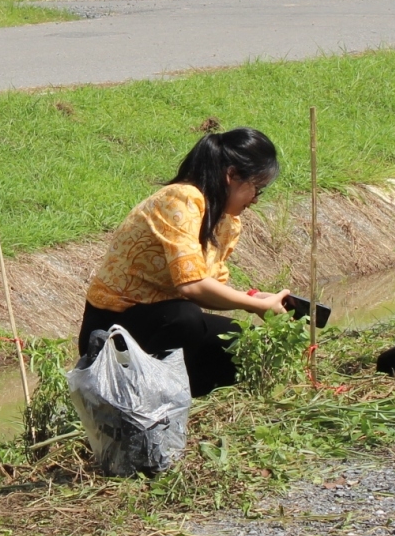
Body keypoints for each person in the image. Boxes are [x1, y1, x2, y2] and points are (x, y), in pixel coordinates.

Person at [77, 128, 292, 397]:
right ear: (232, 175)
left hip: (161, 322)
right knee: (186, 318)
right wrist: (256, 306)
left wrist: (253, 297)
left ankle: (181, 402)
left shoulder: (227, 222)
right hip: (112, 326)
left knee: (242, 342)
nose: (256, 200)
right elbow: (192, 287)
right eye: (256, 189)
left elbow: (210, 286)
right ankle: (138, 395)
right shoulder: (181, 199)